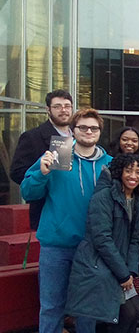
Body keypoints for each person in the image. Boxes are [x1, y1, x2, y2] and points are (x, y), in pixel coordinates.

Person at [22, 108, 113, 333]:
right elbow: (29, 191)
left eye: (93, 128)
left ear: (99, 132)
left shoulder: (108, 162)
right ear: (73, 130)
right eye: (83, 127)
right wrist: (42, 172)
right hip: (57, 243)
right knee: (52, 302)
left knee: (87, 301)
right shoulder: (57, 155)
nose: (88, 132)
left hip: (91, 244)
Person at [65, 154, 139, 333]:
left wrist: (130, 271)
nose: (133, 176)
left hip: (121, 266)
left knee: (134, 312)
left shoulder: (137, 199)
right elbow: (102, 239)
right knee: (126, 313)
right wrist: (122, 274)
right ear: (119, 172)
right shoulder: (104, 197)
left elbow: (135, 240)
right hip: (99, 264)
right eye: (128, 171)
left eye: (138, 172)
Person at [10, 89, 74, 230]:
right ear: (48, 110)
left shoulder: (81, 135)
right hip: (47, 211)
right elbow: (17, 172)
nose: (63, 110)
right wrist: (42, 178)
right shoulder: (32, 137)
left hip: (77, 211)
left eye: (67, 106)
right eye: (57, 106)